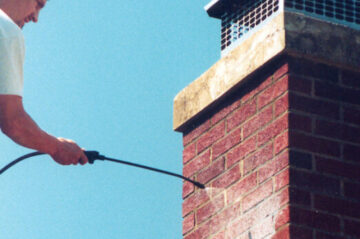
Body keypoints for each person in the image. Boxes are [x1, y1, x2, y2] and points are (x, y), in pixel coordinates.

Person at [0, 0, 88, 165]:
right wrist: (57, 147)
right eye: (38, 4)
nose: (36, 17)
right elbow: (13, 122)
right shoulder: (7, 30)